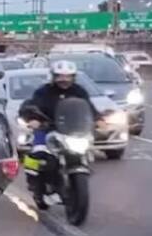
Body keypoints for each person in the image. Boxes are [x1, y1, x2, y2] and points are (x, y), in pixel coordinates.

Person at [21, 60, 99, 208]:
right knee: (39, 153)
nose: (64, 80)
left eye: (68, 76)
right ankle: (35, 182)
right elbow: (31, 105)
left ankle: (70, 188)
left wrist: (98, 119)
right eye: (60, 76)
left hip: (70, 130)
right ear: (53, 76)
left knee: (80, 149)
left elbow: (88, 107)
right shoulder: (44, 91)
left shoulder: (79, 91)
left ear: (73, 77)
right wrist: (33, 118)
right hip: (47, 128)